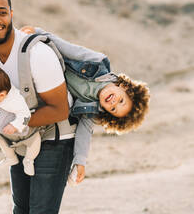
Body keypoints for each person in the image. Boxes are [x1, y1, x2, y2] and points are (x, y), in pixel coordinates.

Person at [0, 0, 77, 214]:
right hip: (21, 140)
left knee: (41, 210)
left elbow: (59, 110)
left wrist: (12, 122)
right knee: (21, 210)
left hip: (55, 138)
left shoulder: (37, 54)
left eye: (2, 12)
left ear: (11, 14)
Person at [20, 26, 150, 185]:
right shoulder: (97, 62)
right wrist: (38, 33)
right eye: (121, 100)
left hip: (42, 88)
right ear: (125, 88)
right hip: (46, 58)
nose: (113, 103)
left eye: (114, 109)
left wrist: (80, 162)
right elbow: (68, 49)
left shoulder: (93, 109)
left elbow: (84, 134)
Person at [0, 66, 40, 176]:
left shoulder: (15, 100)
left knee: (35, 141)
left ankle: (29, 160)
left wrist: (15, 126)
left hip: (25, 131)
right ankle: (11, 158)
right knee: (0, 139)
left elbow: (25, 115)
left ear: (1, 95)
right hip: (5, 129)